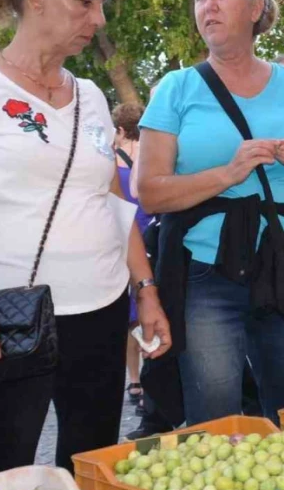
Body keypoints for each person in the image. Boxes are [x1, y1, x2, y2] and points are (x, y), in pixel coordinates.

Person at [0, 0, 171, 478]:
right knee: (2, 469)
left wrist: (145, 290)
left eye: (101, 3)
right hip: (8, 316)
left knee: (93, 462)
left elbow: (111, 199)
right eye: (86, 1)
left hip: (101, 308)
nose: (98, 18)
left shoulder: (92, 96)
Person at [137, 0, 284, 424]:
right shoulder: (176, 88)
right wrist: (228, 174)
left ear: (255, 8)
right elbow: (148, 191)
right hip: (206, 274)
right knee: (216, 420)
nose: (207, 6)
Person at [112, 102, 153, 406]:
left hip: (123, 241)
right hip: (152, 239)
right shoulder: (152, 154)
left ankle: (135, 381)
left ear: (121, 130)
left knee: (130, 318)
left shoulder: (112, 161)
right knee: (151, 309)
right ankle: (153, 375)